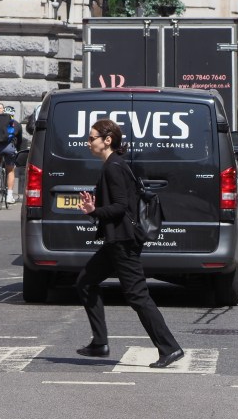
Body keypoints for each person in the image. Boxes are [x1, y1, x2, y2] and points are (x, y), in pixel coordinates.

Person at [75, 119, 184, 369]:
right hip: (116, 241)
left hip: (123, 241)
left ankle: (170, 348)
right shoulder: (114, 165)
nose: (88, 142)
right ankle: (100, 342)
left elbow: (120, 207)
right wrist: (96, 210)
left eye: (92, 138)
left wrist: (94, 211)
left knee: (137, 296)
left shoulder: (113, 167)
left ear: (107, 140)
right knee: (85, 281)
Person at [0, 103, 23, 204]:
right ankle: (9, 196)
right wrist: (18, 152)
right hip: (9, 148)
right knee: (10, 170)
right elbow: (19, 141)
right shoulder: (17, 124)